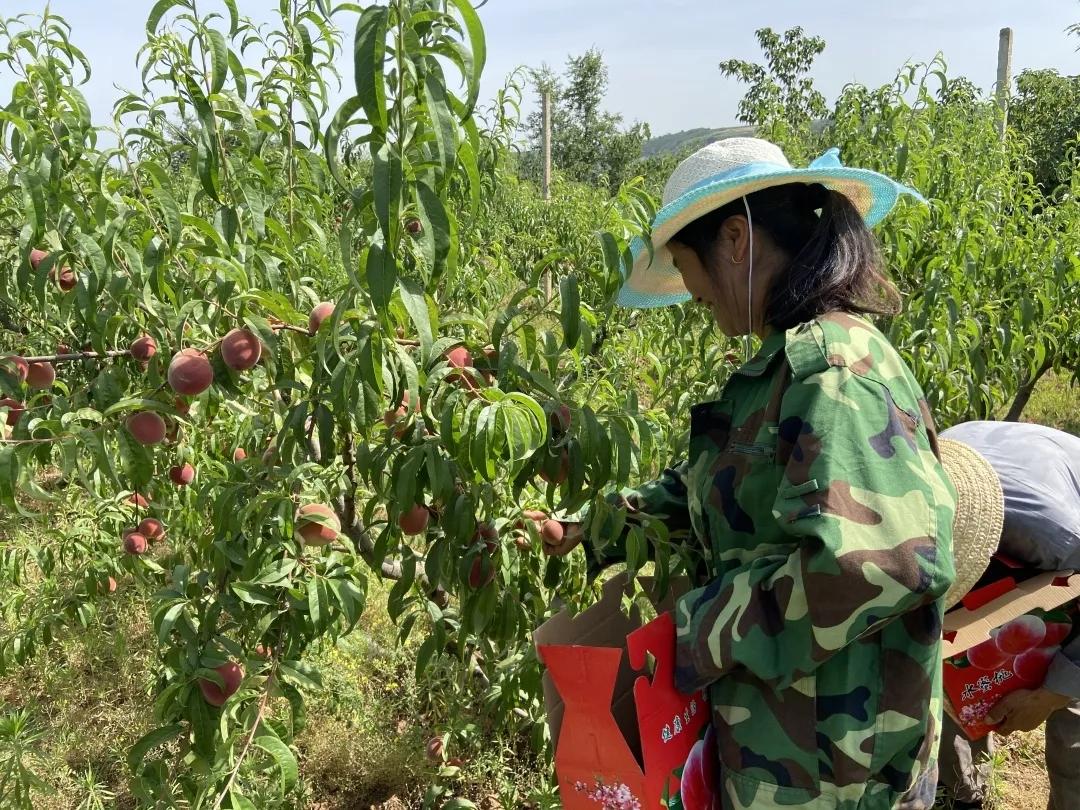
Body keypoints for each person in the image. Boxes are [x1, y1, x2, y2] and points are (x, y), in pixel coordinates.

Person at [540, 137, 1006, 810]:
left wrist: (698, 628)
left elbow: (881, 563)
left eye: (685, 266)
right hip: (786, 753)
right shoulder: (784, 368)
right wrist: (592, 528)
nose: (691, 294)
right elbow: (720, 492)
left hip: (838, 773)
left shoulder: (834, 371)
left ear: (735, 239)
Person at [935, 420, 1080, 810]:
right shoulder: (937, 478)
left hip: (1066, 543)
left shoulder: (1059, 534)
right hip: (1010, 492)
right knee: (951, 661)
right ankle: (965, 792)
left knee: (1073, 743)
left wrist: (1050, 695)